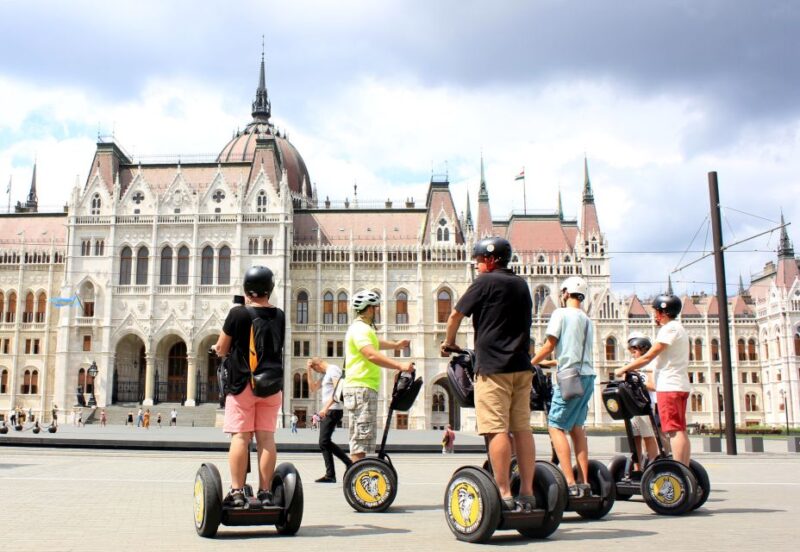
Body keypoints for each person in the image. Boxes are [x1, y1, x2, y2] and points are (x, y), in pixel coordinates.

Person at [442, 236, 536, 512]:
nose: (477, 264)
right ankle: (528, 491)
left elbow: (455, 316)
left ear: (492, 260)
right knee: (522, 429)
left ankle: (504, 492)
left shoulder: (484, 282)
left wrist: (449, 342)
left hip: (494, 369)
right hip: (522, 368)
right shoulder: (521, 284)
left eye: (480, 260)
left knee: (496, 430)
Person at [212, 265, 285, 509]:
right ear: (270, 289)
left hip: (244, 384)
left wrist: (235, 313)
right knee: (266, 439)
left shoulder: (238, 314)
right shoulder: (280, 315)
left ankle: (236, 492)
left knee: (241, 438)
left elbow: (222, 348)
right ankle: (265, 493)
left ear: (246, 289)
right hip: (272, 387)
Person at [530, 276, 596, 499]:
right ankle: (584, 481)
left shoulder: (560, 314)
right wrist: (549, 362)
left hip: (568, 378)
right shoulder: (587, 320)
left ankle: (569, 482)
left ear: (566, 293)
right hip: (587, 376)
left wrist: (530, 362)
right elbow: (572, 351)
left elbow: (550, 344)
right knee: (577, 427)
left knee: (556, 426)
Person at [616, 294, 691, 466]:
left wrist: (624, 369)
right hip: (679, 384)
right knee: (680, 430)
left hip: (669, 386)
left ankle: (678, 469)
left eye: (656, 311)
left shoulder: (669, 328)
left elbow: (648, 357)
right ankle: (684, 468)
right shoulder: (679, 328)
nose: (655, 315)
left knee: (673, 430)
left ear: (663, 311)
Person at [343, 290, 414, 463]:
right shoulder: (360, 329)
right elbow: (370, 354)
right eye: (375, 308)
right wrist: (399, 364)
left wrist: (395, 345)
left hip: (364, 388)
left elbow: (375, 343)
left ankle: (359, 475)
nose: (377, 311)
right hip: (361, 389)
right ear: (368, 309)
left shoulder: (364, 330)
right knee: (361, 438)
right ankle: (358, 478)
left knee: (363, 436)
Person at [307, 357, 353, 482]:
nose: (316, 372)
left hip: (333, 410)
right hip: (330, 410)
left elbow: (338, 391)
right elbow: (313, 388)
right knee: (324, 442)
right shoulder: (326, 374)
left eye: (314, 369)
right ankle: (333, 473)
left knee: (323, 442)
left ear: (318, 365)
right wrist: (308, 370)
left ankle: (346, 465)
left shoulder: (333, 370)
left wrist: (325, 409)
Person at [625, 333, 659, 470]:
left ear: (644, 349)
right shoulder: (631, 366)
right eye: (631, 352)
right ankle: (637, 468)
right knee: (635, 438)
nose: (633, 355)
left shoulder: (650, 366)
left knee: (648, 436)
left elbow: (653, 385)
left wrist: (639, 385)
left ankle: (653, 465)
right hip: (632, 407)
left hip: (645, 406)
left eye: (635, 351)